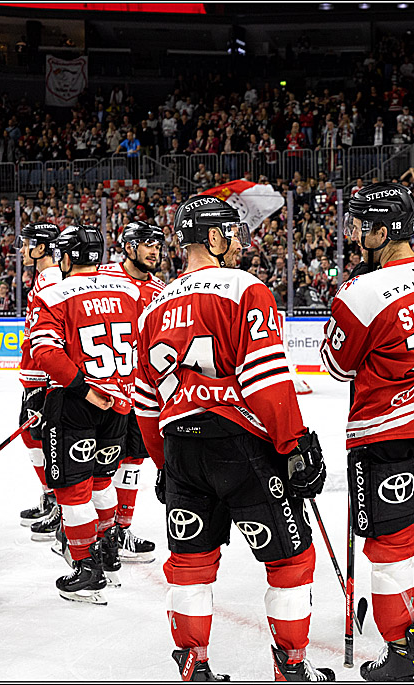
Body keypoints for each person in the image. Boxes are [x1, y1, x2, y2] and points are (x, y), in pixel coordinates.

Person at [134, 195, 333, 681]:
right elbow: (266, 380)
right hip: (242, 446)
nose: (241, 243)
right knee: (290, 559)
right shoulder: (246, 288)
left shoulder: (152, 306)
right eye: (235, 234)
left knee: (189, 562)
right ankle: (291, 665)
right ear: (217, 238)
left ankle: (193, 663)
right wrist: (294, 445)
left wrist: (163, 465)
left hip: (181, 446)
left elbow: (143, 404)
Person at [320, 182, 414, 681]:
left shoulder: (360, 291)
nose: (355, 234)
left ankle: (401, 652)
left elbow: (338, 365)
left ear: (384, 231)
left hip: (386, 433)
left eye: (362, 225)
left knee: (392, 544)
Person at [29, 225, 141, 604]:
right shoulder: (126, 289)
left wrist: (85, 389)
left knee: (73, 490)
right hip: (120, 404)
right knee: (101, 481)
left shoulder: (53, 293)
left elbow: (45, 353)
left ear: (65, 256)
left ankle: (87, 568)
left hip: (78, 402)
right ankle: (108, 550)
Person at [96, 220, 167, 563]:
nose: (155, 250)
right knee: (98, 465)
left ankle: (120, 530)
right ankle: (89, 528)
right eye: (147, 243)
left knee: (133, 461)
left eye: (158, 244)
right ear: (128, 246)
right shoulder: (102, 277)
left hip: (140, 392)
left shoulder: (162, 290)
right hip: (103, 390)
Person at [16, 223, 64, 541]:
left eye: (27, 244)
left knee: (50, 443)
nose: (22, 250)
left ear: (41, 248)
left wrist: (50, 381)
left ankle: (60, 507)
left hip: (44, 378)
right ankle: (51, 497)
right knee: (32, 438)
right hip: (33, 375)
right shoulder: (42, 278)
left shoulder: (54, 281)